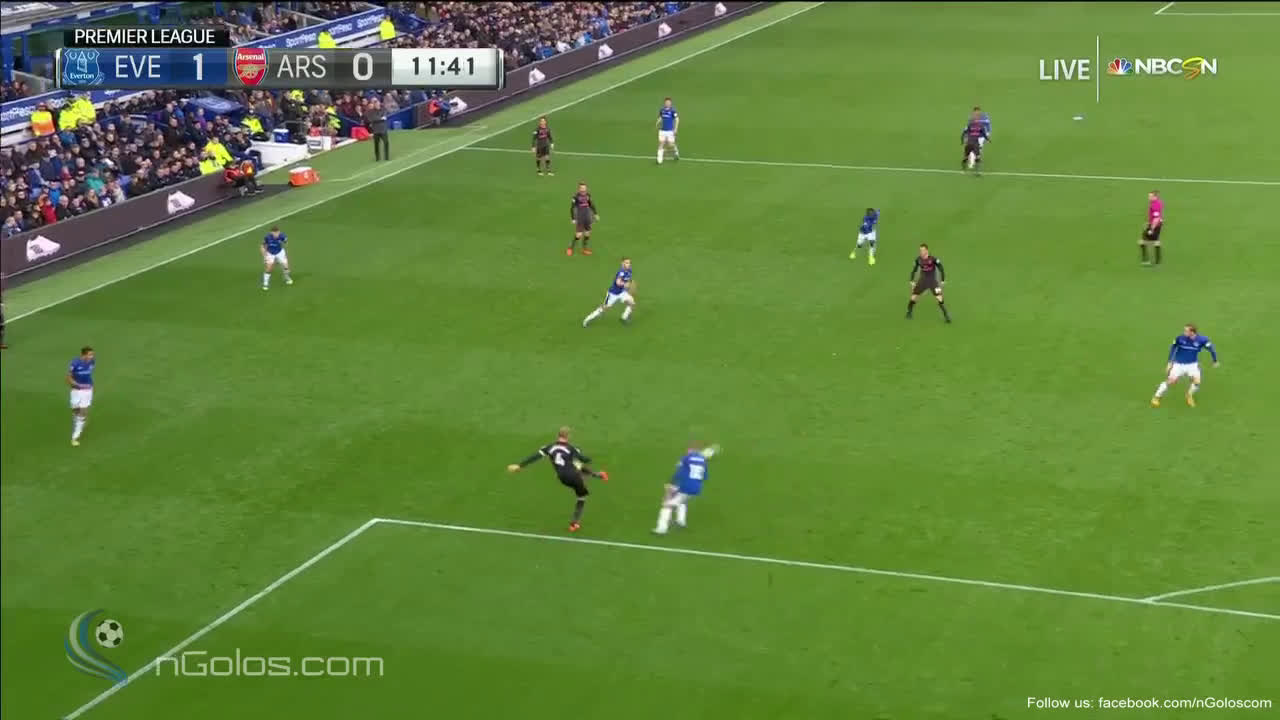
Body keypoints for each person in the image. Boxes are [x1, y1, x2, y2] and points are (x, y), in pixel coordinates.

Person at [506, 427, 609, 532]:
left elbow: (535, 457)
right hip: (575, 477)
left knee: (577, 465)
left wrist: (520, 465)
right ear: (568, 436)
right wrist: (580, 452)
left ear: (558, 435)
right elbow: (586, 460)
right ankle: (574, 523)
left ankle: (600, 475)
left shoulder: (549, 447)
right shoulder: (571, 448)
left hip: (562, 478)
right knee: (582, 496)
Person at [654, 443, 719, 535]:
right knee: (682, 501)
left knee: (667, 505)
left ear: (690, 451)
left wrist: (671, 483)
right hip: (696, 488)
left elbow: (679, 473)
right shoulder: (703, 461)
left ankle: (661, 529)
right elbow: (705, 477)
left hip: (685, 487)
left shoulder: (686, 458)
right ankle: (681, 521)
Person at [1151, 324, 1218, 408]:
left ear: (1192, 332)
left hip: (1192, 365)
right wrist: (1169, 362)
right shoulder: (1180, 338)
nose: (1184, 332)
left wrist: (1215, 360)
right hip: (1179, 364)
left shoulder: (1202, 340)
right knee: (1171, 381)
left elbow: (1211, 349)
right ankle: (1156, 397)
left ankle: (1189, 395)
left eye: (1186, 331)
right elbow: (1173, 348)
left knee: (1197, 382)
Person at [582, 257, 635, 327]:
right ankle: (587, 319)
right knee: (604, 308)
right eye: (627, 263)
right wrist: (625, 284)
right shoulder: (621, 272)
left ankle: (624, 317)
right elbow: (618, 282)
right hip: (613, 294)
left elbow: (629, 280)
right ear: (622, 263)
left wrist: (630, 284)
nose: (629, 264)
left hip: (622, 292)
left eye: (629, 263)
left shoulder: (629, 270)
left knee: (631, 303)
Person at [907, 244, 951, 323]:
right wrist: (911, 280)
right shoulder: (918, 260)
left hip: (932, 281)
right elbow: (914, 270)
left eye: (923, 250)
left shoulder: (933, 259)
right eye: (920, 250)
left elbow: (941, 268)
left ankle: (946, 316)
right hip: (922, 281)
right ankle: (909, 312)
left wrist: (942, 280)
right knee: (913, 297)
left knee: (940, 297)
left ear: (927, 250)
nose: (921, 252)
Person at [67, 346, 96, 446]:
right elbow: (68, 378)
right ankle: (79, 420)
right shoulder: (75, 363)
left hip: (87, 390)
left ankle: (75, 436)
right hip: (76, 390)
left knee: (83, 411)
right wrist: (77, 384)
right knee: (75, 409)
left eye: (92, 355)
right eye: (90, 355)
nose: (92, 356)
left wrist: (86, 385)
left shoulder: (92, 362)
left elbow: (88, 374)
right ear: (83, 355)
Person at [568, 182, 599, 256]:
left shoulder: (588, 195)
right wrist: (573, 218)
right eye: (582, 188)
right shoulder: (575, 197)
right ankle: (570, 248)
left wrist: (595, 214)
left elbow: (591, 204)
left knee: (587, 233)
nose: (583, 189)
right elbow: (572, 208)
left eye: (584, 188)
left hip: (587, 216)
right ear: (579, 189)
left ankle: (584, 249)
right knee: (578, 235)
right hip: (580, 217)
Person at [261, 226, 293, 290]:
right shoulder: (267, 237)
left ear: (279, 232)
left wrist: (285, 254)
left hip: (280, 252)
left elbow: (286, 243)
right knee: (269, 268)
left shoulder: (282, 236)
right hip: (270, 253)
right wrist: (264, 256)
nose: (276, 234)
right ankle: (265, 283)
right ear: (271, 232)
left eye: (277, 233)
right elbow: (262, 246)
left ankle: (286, 277)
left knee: (286, 267)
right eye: (274, 233)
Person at [1141, 190, 1163, 266]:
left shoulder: (1155, 205)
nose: (1149, 197)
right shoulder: (1159, 202)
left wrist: (1151, 229)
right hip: (1157, 224)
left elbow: (1156, 218)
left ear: (1155, 197)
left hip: (1155, 225)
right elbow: (1157, 216)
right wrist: (1149, 222)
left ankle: (1147, 260)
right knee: (1156, 241)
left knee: (1143, 241)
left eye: (1150, 196)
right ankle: (1157, 261)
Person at [656, 97, 679, 164]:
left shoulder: (673, 111)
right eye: (666, 102)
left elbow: (677, 119)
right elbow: (661, 117)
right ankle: (659, 158)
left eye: (669, 102)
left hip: (670, 131)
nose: (667, 103)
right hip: (662, 130)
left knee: (670, 144)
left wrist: (675, 129)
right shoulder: (662, 110)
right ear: (664, 103)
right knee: (661, 143)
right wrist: (658, 121)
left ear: (670, 103)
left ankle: (676, 151)